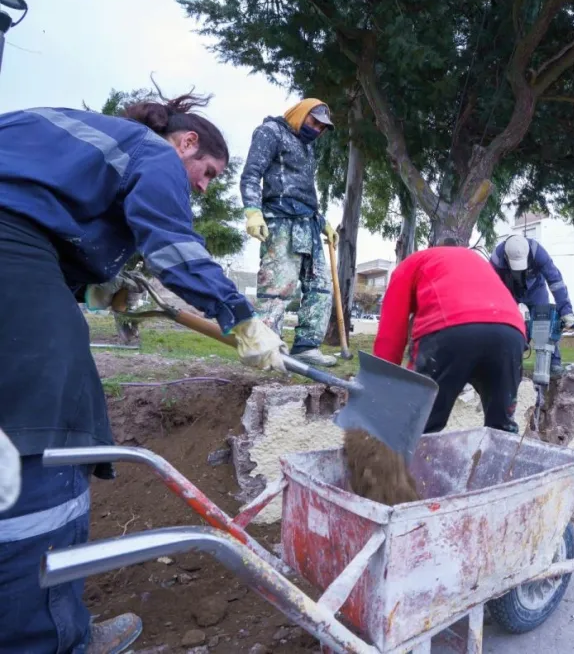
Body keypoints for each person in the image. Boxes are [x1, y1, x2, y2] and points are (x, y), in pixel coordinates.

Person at [0, 94, 287, 653]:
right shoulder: (153, 153)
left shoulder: (73, 139)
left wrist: (91, 280)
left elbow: (48, 210)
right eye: (207, 172)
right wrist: (243, 317)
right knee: (49, 424)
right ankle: (48, 638)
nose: (203, 188)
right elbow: (172, 246)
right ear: (185, 143)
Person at [373, 242, 527, 433]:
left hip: (450, 328)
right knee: (501, 429)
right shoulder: (476, 262)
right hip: (510, 333)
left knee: (417, 427)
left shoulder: (409, 265)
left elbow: (391, 334)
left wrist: (378, 385)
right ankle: (505, 460)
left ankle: (408, 458)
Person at [240, 98, 339, 367]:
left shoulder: (307, 149)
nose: (317, 129)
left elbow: (305, 190)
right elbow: (251, 174)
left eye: (321, 127)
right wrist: (252, 210)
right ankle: (266, 347)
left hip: (309, 223)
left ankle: (306, 346)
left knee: (320, 288)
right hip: (281, 220)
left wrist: (323, 221)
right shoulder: (270, 132)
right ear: (300, 114)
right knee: (277, 286)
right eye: (314, 122)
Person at [490, 234, 574, 377]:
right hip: (509, 292)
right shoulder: (496, 259)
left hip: (536, 290)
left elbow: (555, 282)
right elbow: (492, 288)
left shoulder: (538, 253)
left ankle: (553, 364)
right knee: (513, 328)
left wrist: (566, 312)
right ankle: (511, 365)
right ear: (506, 257)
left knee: (544, 323)